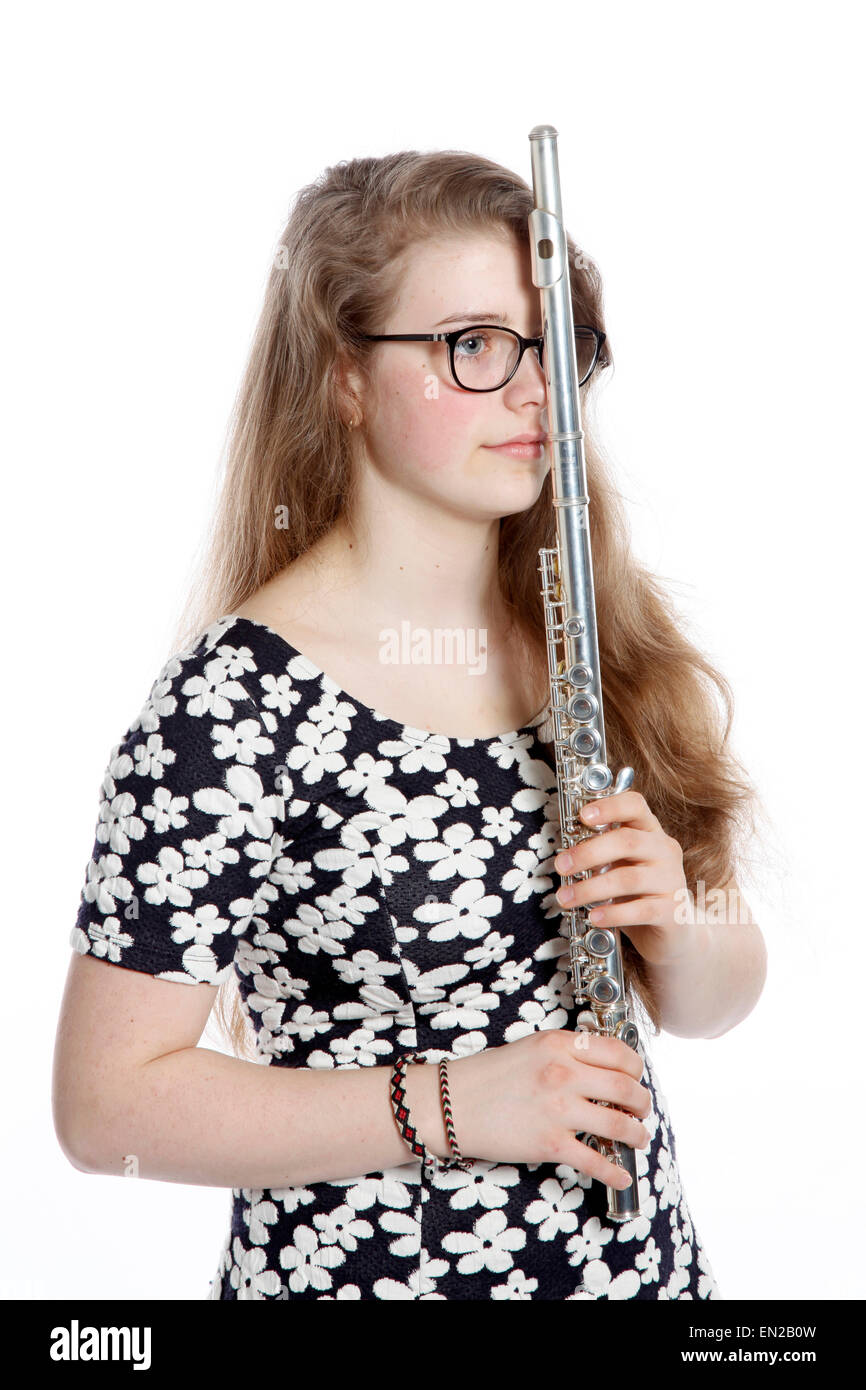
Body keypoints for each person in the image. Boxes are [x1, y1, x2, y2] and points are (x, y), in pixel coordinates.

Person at [53, 147, 767, 1301]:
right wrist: (452, 1101)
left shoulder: (594, 630)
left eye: (550, 348)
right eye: (473, 346)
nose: (535, 392)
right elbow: (104, 1107)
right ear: (345, 375)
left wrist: (677, 922)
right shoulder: (231, 706)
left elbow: (721, 998)